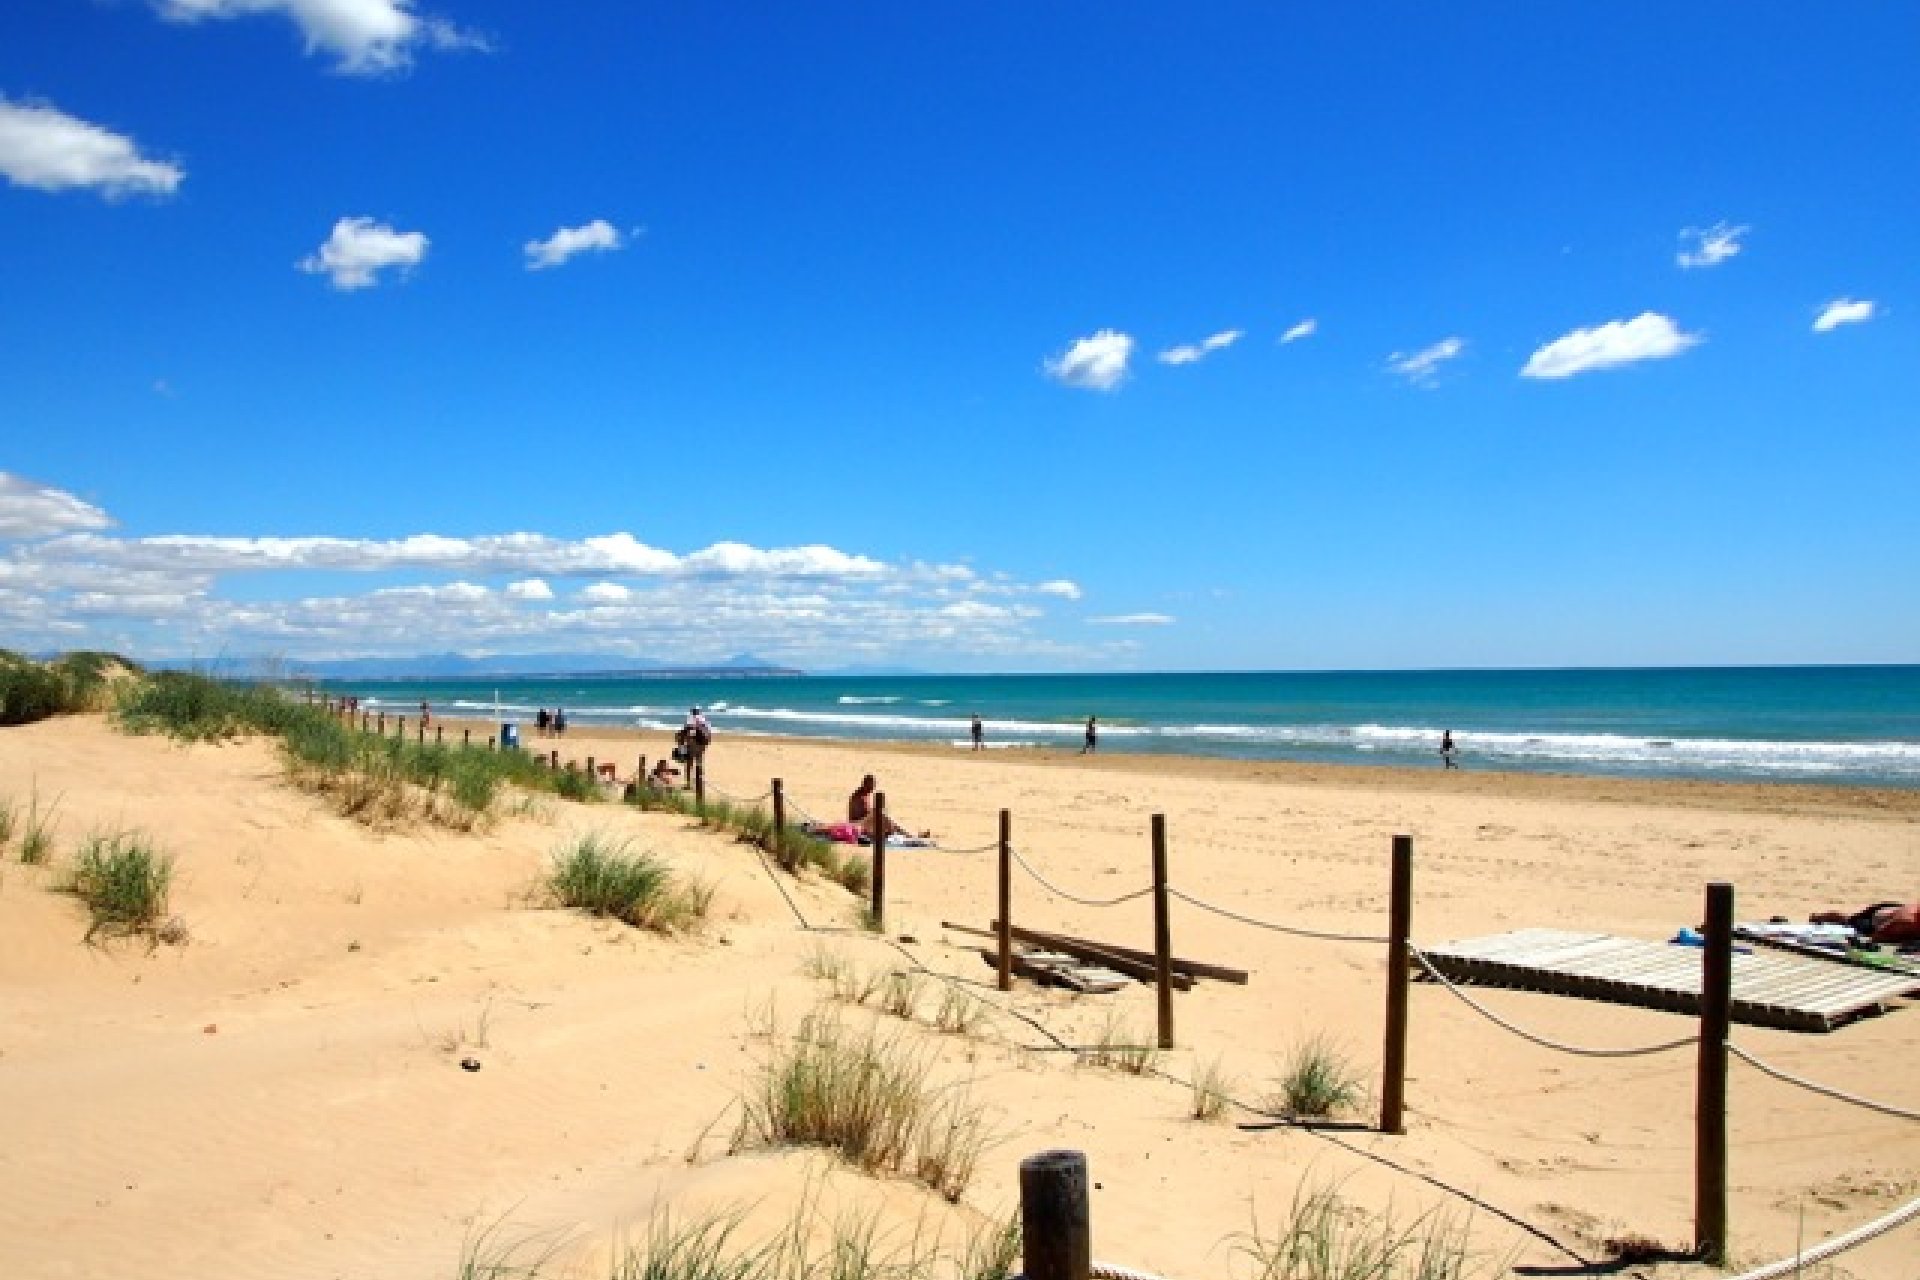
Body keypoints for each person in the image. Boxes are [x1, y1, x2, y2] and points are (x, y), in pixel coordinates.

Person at [1811, 902, 1920, 945]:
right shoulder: (1906, 921)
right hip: (1873, 922)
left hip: (1893, 911)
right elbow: (1876, 938)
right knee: (1849, 925)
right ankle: (1826, 918)